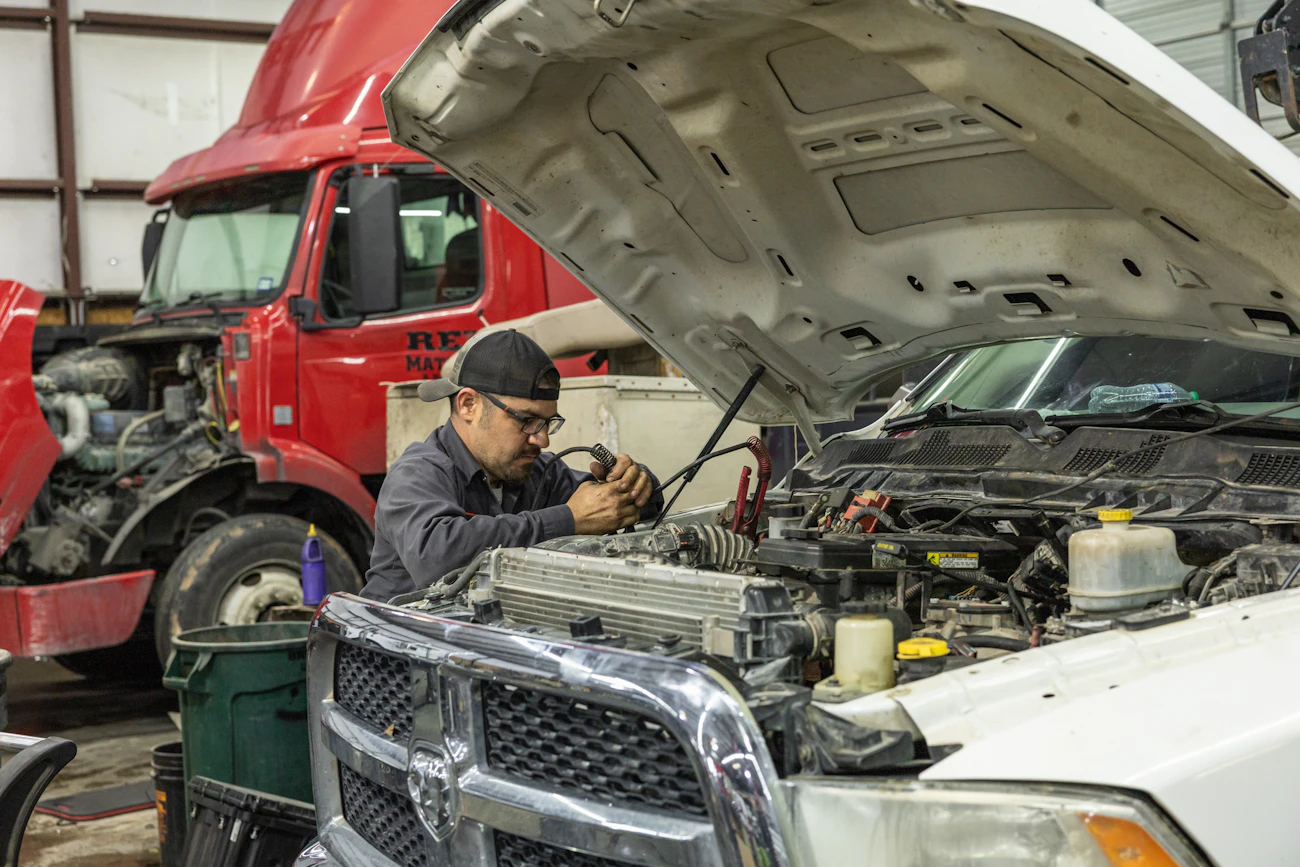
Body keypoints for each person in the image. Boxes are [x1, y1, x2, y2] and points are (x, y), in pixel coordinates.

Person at [361, 329, 663, 601]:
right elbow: (438, 556)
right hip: (399, 650)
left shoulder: (539, 472)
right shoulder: (417, 473)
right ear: (469, 405)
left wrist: (635, 484)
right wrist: (568, 519)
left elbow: (621, 506)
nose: (542, 440)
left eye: (547, 423)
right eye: (527, 420)